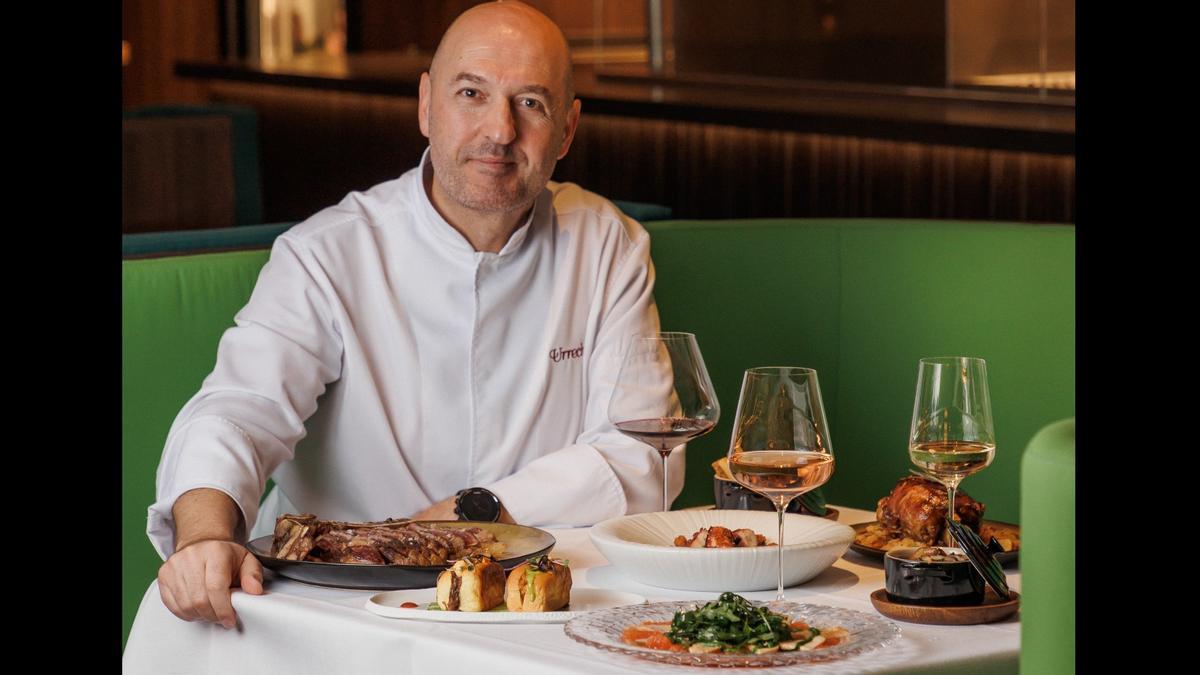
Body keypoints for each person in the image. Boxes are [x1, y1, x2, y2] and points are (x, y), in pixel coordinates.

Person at [148, 1, 682, 629]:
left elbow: (645, 453)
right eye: (471, 93)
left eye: (531, 103)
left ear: (567, 128)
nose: (500, 131)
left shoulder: (607, 244)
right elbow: (240, 409)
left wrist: (472, 513)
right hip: (332, 604)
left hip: (534, 602)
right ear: (426, 105)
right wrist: (204, 537)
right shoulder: (327, 253)